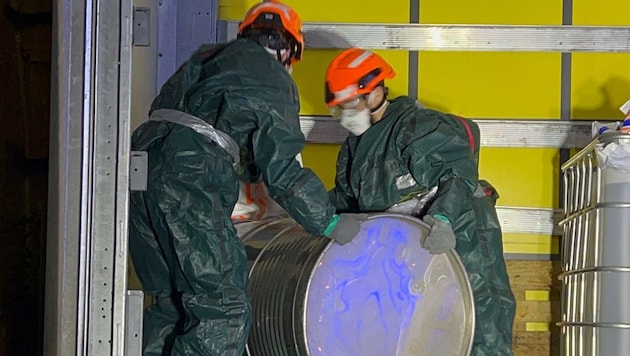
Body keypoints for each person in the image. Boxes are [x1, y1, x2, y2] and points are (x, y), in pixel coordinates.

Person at [127, 2, 364, 355]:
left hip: (141, 166)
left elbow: (221, 125)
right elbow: (281, 168)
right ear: (289, 50)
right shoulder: (272, 76)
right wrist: (328, 222)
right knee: (223, 308)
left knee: (172, 303)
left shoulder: (206, 58)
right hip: (191, 176)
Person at [324, 48, 516, 356]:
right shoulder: (355, 147)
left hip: (460, 230)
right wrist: (315, 213)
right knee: (429, 330)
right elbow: (348, 199)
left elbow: (458, 172)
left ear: (374, 93)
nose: (345, 115)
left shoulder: (415, 126)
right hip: (413, 244)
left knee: (481, 319)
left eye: (349, 104)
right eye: (339, 108)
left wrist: (444, 218)